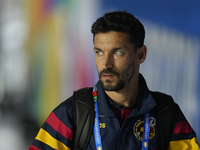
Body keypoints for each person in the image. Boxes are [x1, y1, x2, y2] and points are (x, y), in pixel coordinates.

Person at [29, 11, 200, 150]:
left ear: (141, 55)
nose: (106, 64)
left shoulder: (165, 113)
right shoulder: (72, 114)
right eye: (99, 52)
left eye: (117, 53)